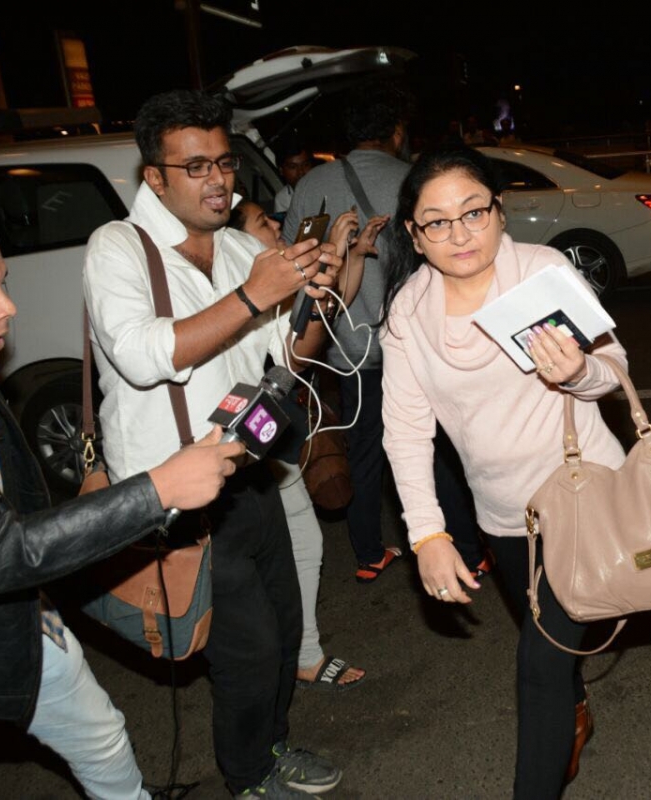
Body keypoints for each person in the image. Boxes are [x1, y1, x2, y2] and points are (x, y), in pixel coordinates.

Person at [83, 90, 343, 798]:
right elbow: (143, 355)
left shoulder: (235, 247)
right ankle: (247, 774)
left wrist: (315, 298)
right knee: (245, 648)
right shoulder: (118, 248)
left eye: (224, 162)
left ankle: (273, 744)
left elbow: (284, 362)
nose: (219, 180)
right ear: (154, 178)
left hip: (248, 473)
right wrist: (258, 293)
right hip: (179, 495)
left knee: (285, 630)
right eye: (194, 167)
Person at [0, 201, 244, 799]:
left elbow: (19, 510)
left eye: (2, 285)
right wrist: (157, 488)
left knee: (103, 737)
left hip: (11, 621)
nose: (8, 308)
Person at [380, 147, 627, 798]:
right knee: (547, 638)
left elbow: (616, 371)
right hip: (503, 516)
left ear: (498, 210)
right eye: (436, 221)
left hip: (585, 497)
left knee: (538, 662)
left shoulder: (541, 274)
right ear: (414, 234)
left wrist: (578, 372)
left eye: (473, 212)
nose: (458, 233)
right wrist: (429, 535)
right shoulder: (409, 313)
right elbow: (406, 432)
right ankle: (573, 713)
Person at [284, 79, 486, 584]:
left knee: (366, 449)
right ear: (397, 132)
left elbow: (292, 267)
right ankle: (466, 544)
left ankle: (368, 550)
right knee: (434, 445)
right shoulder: (418, 181)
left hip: (346, 347)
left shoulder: (312, 186)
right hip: (416, 342)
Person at [229, 198, 373, 691]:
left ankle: (300, 651)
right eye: (261, 222)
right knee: (259, 556)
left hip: (270, 427)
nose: (274, 225)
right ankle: (284, 655)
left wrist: (346, 258)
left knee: (300, 541)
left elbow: (328, 316)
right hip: (243, 434)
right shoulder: (242, 283)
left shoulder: (277, 274)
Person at [272, 141, 313, 218]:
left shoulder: (324, 187)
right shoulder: (282, 199)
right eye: (293, 167)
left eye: (305, 165)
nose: (301, 172)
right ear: (281, 170)